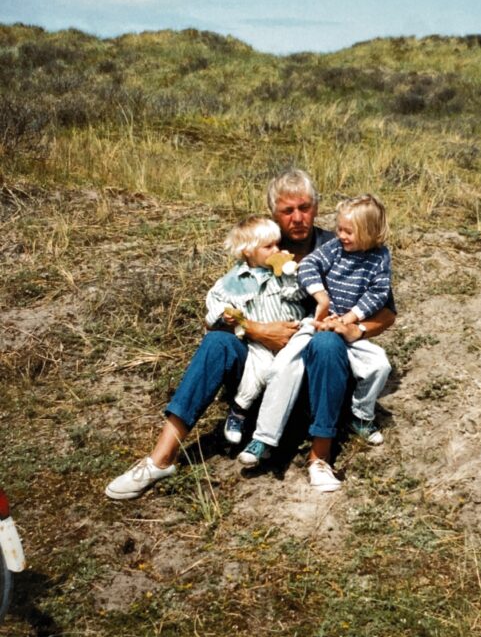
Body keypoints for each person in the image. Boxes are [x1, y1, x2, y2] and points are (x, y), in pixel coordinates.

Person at [104, 168, 395, 500]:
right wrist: (257, 330)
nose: (298, 218)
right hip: (262, 370)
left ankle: (320, 457)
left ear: (316, 207)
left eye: (305, 207)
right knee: (217, 342)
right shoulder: (262, 243)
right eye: (288, 210)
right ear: (274, 213)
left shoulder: (344, 243)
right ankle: (161, 458)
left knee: (327, 342)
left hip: (317, 374)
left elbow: (387, 312)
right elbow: (218, 313)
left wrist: (354, 328)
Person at [237, 195, 392, 481]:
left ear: (369, 232)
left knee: (380, 365)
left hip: (347, 330)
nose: (341, 235)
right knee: (283, 367)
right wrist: (321, 297)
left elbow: (380, 294)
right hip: (317, 323)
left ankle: (362, 415)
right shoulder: (334, 248)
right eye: (340, 228)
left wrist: (351, 319)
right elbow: (308, 266)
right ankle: (264, 438)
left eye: (348, 231)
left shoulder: (380, 258)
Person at [203, 215, 306, 446]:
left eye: (277, 244)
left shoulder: (280, 274)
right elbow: (214, 303)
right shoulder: (232, 281)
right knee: (258, 371)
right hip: (260, 342)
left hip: (294, 333)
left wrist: (290, 274)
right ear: (248, 251)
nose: (276, 250)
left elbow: (298, 295)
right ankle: (239, 412)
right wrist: (225, 314)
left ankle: (283, 427)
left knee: (291, 370)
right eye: (268, 246)